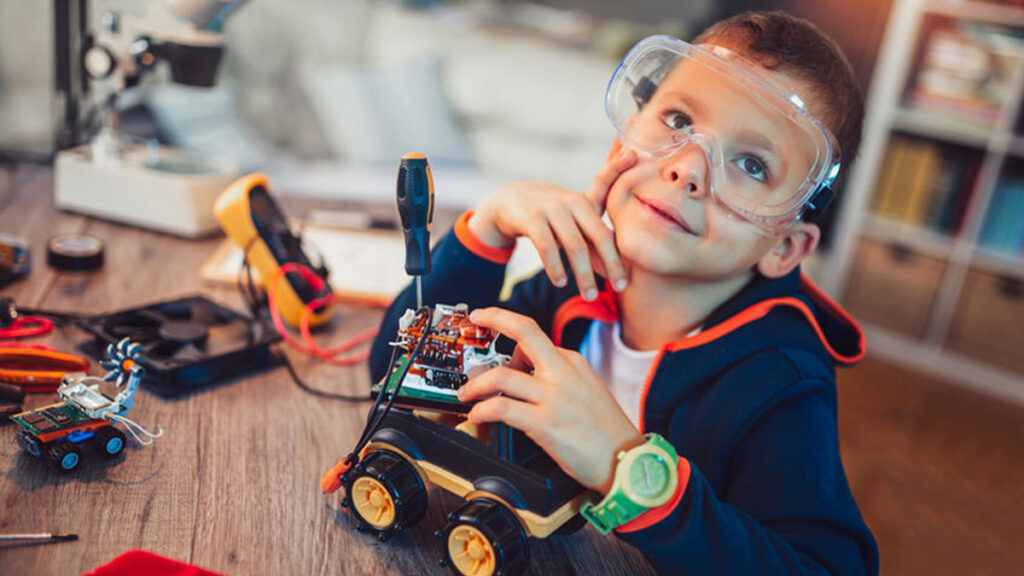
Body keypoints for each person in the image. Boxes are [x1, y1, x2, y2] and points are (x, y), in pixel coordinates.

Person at [369, 11, 878, 575]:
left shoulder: (778, 383)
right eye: (678, 119)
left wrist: (627, 471)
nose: (687, 167)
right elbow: (399, 379)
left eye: (752, 165)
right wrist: (483, 234)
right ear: (620, 148)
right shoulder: (571, 286)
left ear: (784, 247)